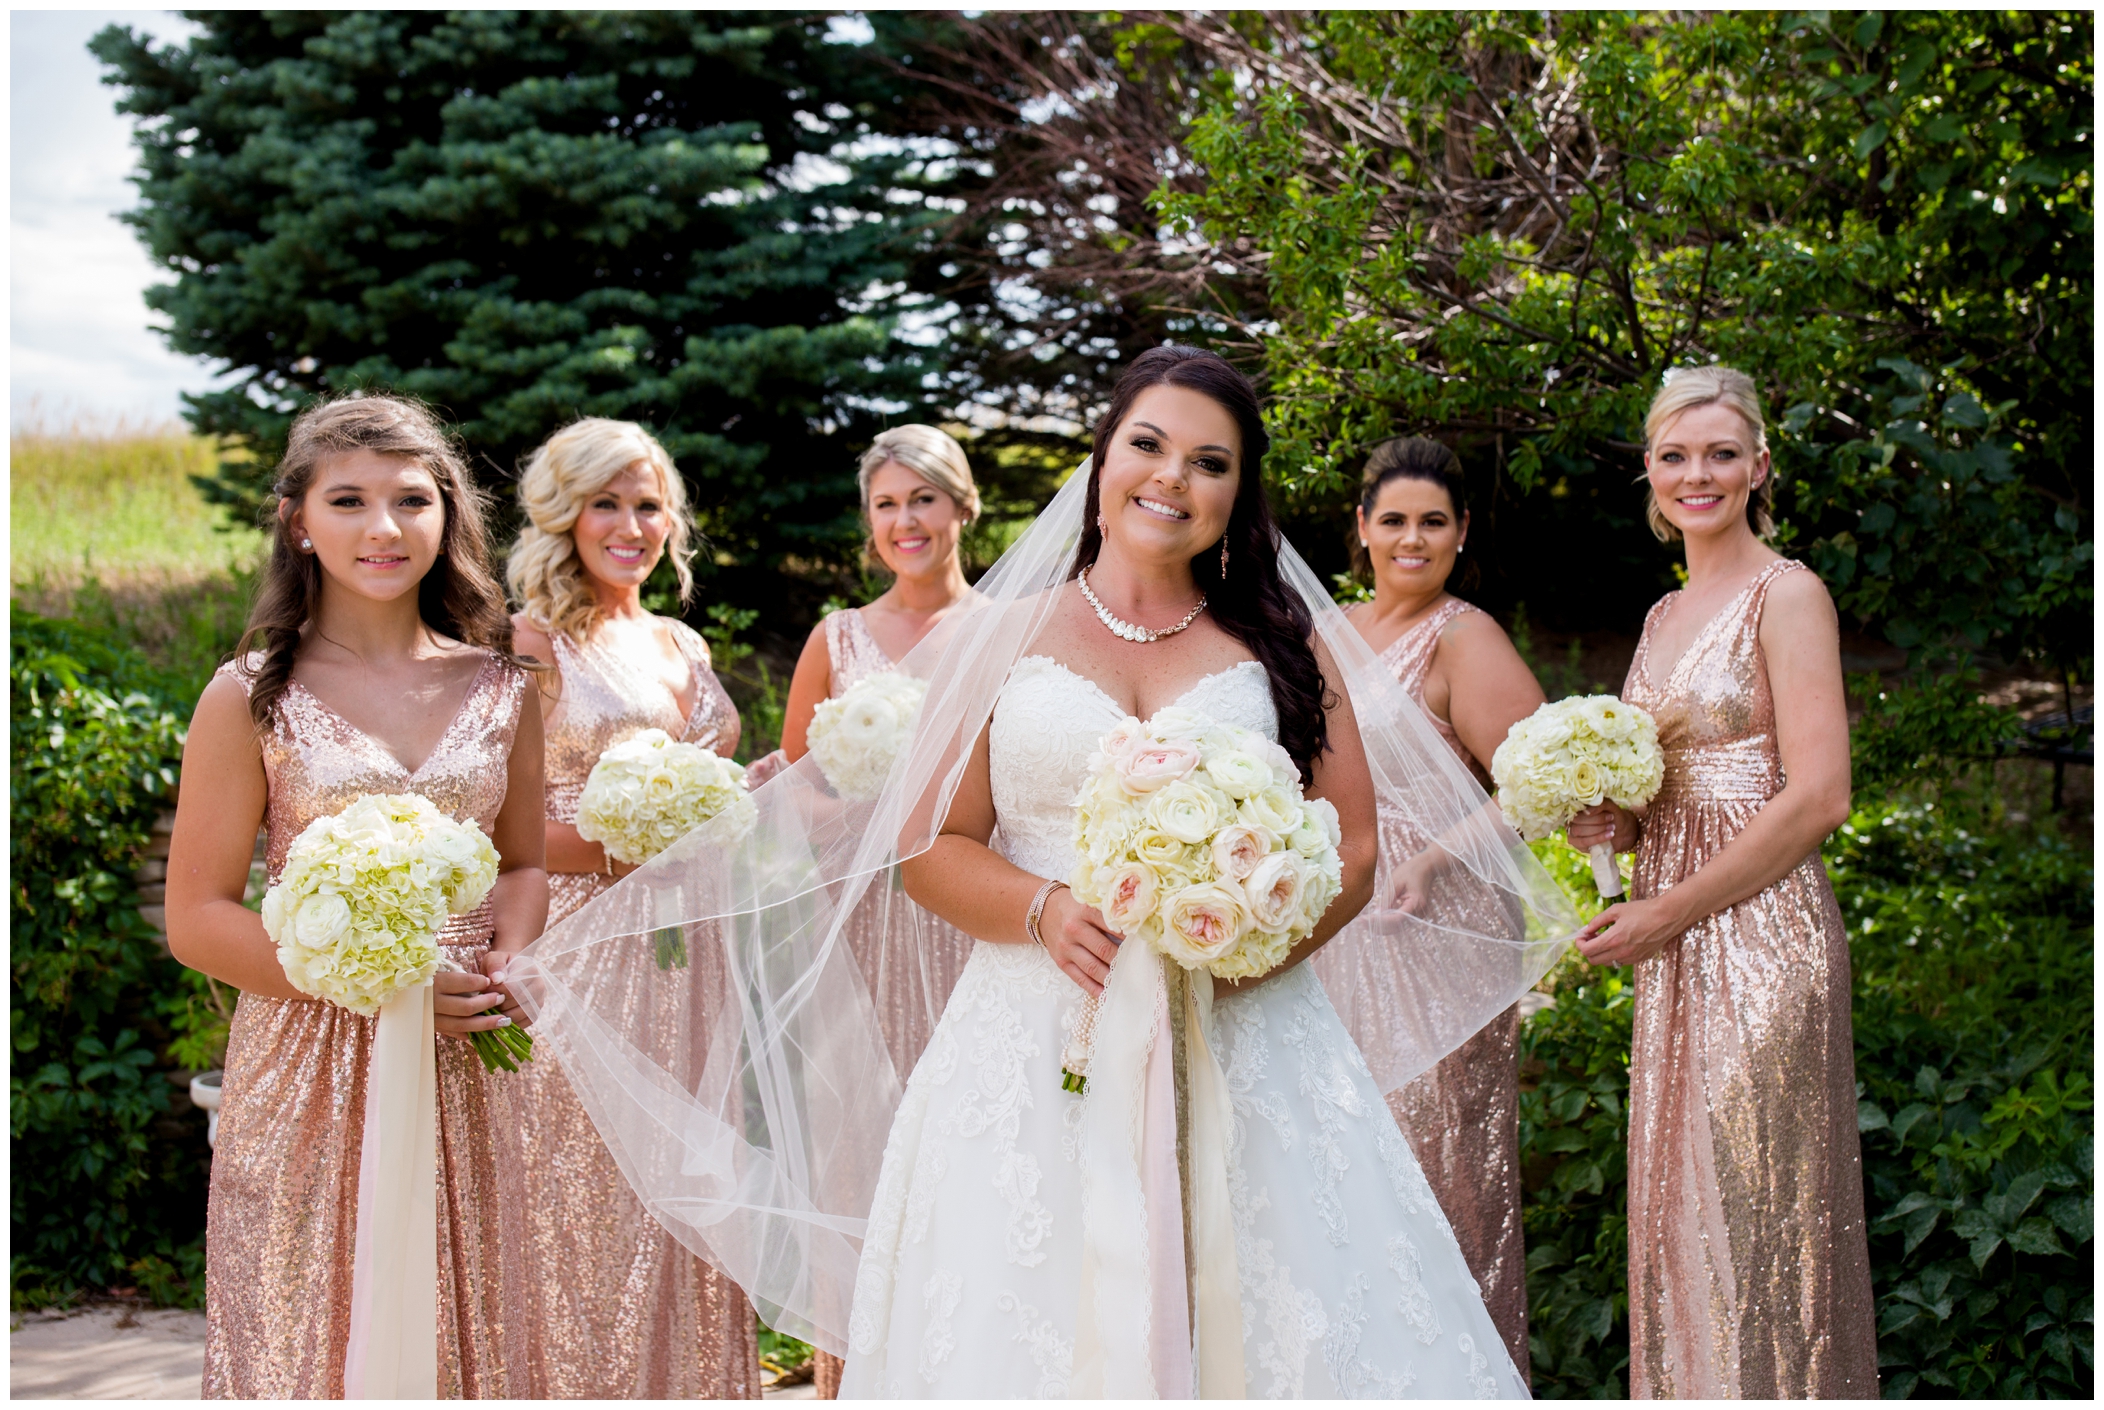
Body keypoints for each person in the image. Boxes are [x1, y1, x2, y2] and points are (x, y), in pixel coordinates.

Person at [508, 348, 1577, 1398]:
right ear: (1102, 459)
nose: (1173, 478)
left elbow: (1350, 842)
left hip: (1252, 1027)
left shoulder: (1283, 641)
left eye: (1211, 464)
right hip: (1034, 1026)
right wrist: (1043, 908)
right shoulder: (1004, 636)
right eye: (1149, 445)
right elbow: (927, 847)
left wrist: (1256, 948)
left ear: (1237, 497)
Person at [164, 394, 547, 1398]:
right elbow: (199, 914)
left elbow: (521, 863)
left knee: (470, 1322)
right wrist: (378, 985)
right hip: (313, 1059)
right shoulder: (250, 694)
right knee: (311, 1331)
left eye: (412, 501)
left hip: (472, 1050)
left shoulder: (503, 684)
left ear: (449, 514)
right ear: (298, 519)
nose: (384, 529)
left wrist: (500, 965)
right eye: (348, 501)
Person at [1565, 366, 1878, 1398]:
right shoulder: (1661, 616)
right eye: (1672, 455)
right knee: (1683, 1208)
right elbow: (1664, 784)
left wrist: (1668, 909)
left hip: (1759, 934)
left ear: (1758, 468)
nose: (1695, 474)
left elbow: (1820, 794)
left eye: (1718, 453)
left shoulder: (1788, 595)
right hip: (1672, 934)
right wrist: (1612, 820)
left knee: (1759, 1206)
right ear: (1650, 473)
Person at [503, 419, 759, 1398]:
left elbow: (718, 783)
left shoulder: (679, 640)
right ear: (564, 515)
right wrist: (629, 848)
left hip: (690, 949)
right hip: (580, 942)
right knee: (589, 1194)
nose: (630, 524)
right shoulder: (529, 642)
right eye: (605, 502)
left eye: (647, 504)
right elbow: (496, 823)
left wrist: (750, 798)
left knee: (688, 1197)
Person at [748, 423, 982, 1399]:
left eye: (921, 499)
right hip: (863, 929)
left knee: (972, 1141)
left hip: (973, 921)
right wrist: (860, 790)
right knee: (866, 1151)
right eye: (885, 505)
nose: (903, 522)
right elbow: (794, 789)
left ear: (962, 506)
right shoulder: (835, 638)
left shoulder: (1012, 628)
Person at [1343, 437, 1545, 1375]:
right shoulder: (1330, 628)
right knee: (1345, 1160)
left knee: (1437, 1163)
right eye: (1394, 521)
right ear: (1362, 530)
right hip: (1339, 931)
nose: (1411, 539)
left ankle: (1458, 1376)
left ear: (1461, 533)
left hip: (1440, 933)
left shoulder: (1467, 638)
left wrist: (1431, 855)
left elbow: (1539, 785)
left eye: (1432, 522)